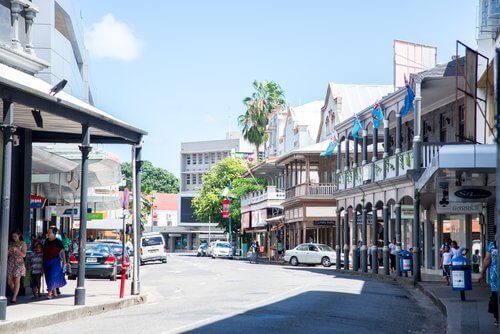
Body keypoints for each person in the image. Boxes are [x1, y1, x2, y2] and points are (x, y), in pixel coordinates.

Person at [479, 234, 498, 327]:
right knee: (495, 296)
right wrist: (482, 273)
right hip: (495, 276)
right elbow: (487, 260)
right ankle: (497, 317)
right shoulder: (492, 245)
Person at [43, 227, 67, 299]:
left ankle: (49, 293)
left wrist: (64, 262)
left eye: (50, 233)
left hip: (55, 261)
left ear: (54, 234)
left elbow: (62, 252)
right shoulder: (46, 241)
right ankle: (55, 292)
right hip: (46, 261)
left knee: (52, 276)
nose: (48, 234)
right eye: (48, 232)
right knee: (48, 277)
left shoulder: (58, 242)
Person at [7, 229, 27, 303]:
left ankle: (14, 297)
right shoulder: (10, 243)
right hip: (11, 261)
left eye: (15, 236)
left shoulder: (22, 243)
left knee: (17, 280)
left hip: (18, 262)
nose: (14, 238)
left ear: (19, 235)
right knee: (9, 281)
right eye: (13, 236)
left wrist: (17, 250)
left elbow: (24, 255)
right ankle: (15, 292)